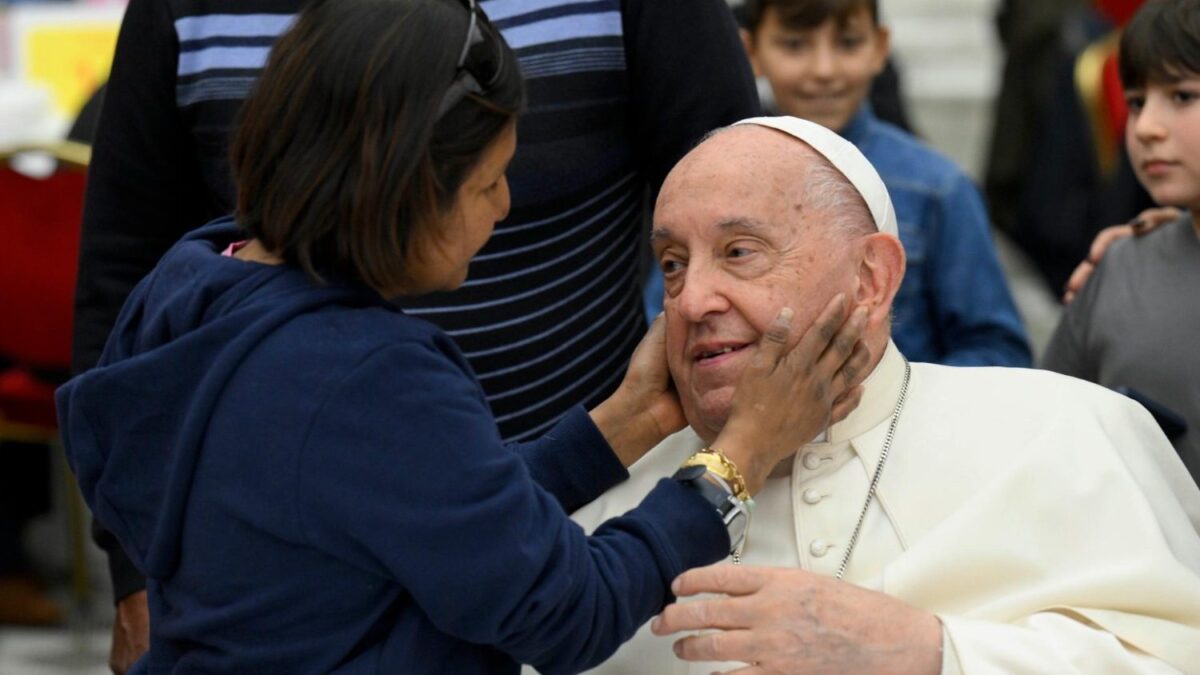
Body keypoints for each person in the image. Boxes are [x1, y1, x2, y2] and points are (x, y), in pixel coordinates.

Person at [56, 2, 869, 672]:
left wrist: (630, 422)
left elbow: (432, 509)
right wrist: (742, 455)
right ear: (402, 186)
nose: (505, 207)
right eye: (487, 181)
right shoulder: (371, 375)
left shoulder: (197, 281)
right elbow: (567, 611)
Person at [560, 116, 1200, 674]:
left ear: (872, 278)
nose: (693, 301)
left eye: (739, 251)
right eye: (672, 263)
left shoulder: (1068, 431)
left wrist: (929, 652)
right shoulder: (606, 503)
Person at [735, 0, 1031, 368]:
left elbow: (999, 348)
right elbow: (671, 317)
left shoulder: (938, 188)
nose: (824, 69)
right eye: (795, 45)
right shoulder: (720, 180)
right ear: (752, 51)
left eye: (848, 43)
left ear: (879, 47)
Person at [1043, 0, 1200, 484]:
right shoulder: (1116, 267)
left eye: (1181, 96)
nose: (1147, 127)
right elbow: (1049, 446)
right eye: (1136, 102)